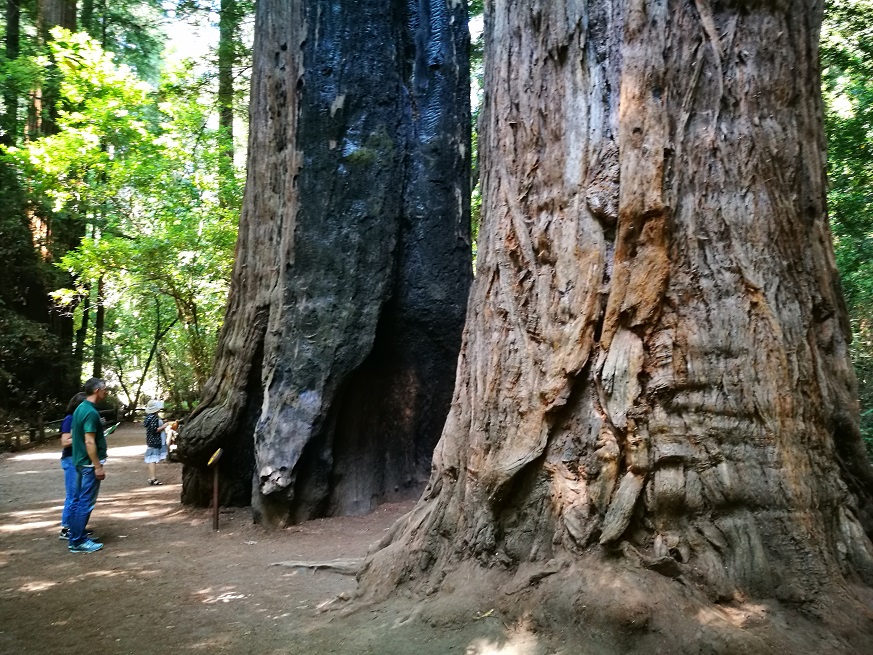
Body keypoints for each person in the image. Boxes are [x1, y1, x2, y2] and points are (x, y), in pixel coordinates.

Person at [68, 377, 109, 553]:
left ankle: (77, 536)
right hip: (88, 465)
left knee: (79, 500)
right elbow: (89, 441)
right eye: (105, 389)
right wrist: (97, 466)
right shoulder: (90, 412)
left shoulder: (81, 408)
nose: (107, 392)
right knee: (85, 502)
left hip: (80, 462)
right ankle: (78, 542)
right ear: (96, 391)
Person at [58, 392, 88, 540]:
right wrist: (82, 438)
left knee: (79, 494)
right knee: (73, 495)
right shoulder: (69, 419)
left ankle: (76, 527)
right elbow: (65, 442)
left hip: (78, 459)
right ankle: (66, 528)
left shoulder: (78, 419)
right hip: (70, 459)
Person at [143, 399, 168, 485]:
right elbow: (154, 430)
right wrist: (164, 426)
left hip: (152, 440)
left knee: (152, 459)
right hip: (155, 441)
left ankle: (152, 477)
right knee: (152, 459)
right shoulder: (153, 418)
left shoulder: (150, 417)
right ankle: (153, 478)